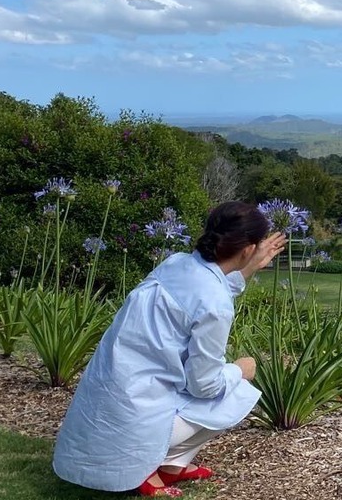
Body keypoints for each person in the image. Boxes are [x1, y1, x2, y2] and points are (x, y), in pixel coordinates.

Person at [53, 201, 287, 497]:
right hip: (137, 415)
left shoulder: (176, 263)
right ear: (247, 248)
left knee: (226, 383)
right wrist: (238, 370)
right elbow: (204, 385)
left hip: (107, 403)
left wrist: (247, 268)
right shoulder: (215, 304)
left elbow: (201, 293)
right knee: (239, 391)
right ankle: (148, 470)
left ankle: (173, 465)